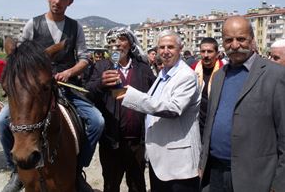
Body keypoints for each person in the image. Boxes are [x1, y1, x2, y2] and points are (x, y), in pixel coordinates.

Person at [0, 0, 104, 192]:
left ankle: (78, 169)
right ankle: (15, 171)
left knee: (97, 121)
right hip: (35, 88)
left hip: (66, 86)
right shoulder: (32, 24)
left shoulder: (76, 27)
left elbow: (84, 58)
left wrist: (69, 72)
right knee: (1, 120)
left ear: (70, 2)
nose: (57, 1)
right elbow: (19, 54)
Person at [199, 16, 285, 192]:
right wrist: (202, 162)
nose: (235, 45)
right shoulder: (219, 76)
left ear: (252, 40)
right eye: (229, 40)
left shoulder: (275, 75)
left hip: (255, 177)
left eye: (241, 39)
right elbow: (210, 123)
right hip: (215, 172)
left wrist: (279, 183)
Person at [120, 30, 201, 192]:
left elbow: (173, 109)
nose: (165, 51)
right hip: (161, 161)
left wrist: (133, 97)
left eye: (170, 47)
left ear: (180, 48)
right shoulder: (163, 74)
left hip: (178, 165)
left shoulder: (186, 76)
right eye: (161, 47)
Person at [86, 27, 155, 192]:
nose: (116, 44)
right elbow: (88, 94)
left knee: (137, 185)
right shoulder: (101, 66)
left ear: (130, 43)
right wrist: (100, 83)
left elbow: (153, 99)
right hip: (112, 142)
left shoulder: (143, 69)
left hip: (137, 142)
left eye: (121, 40)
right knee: (111, 185)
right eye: (111, 41)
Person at [191, 37, 224, 137]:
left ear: (217, 54)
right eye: (203, 51)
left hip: (216, 123)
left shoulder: (224, 71)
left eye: (209, 51)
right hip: (196, 123)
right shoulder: (192, 70)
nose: (206, 55)